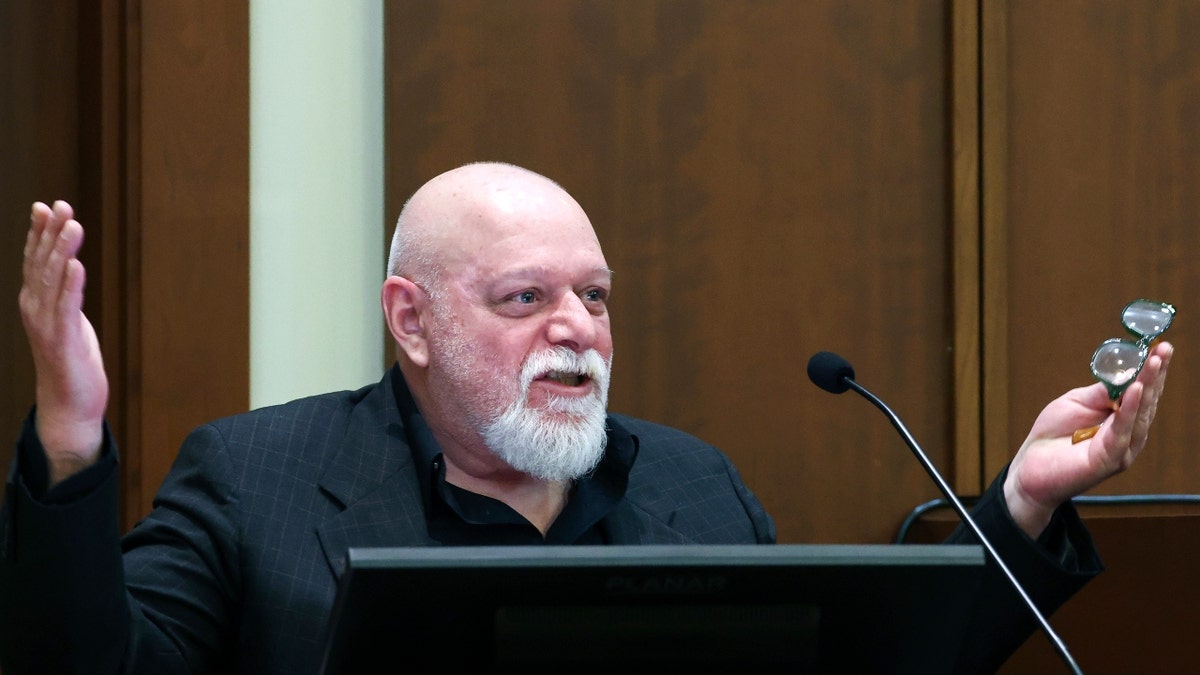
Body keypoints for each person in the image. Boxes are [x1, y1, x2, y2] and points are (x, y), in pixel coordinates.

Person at [0, 162, 1173, 674]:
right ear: (411, 322)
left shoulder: (692, 488)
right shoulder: (255, 479)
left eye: (594, 296)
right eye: (526, 298)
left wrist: (1020, 502)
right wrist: (70, 437)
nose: (578, 328)